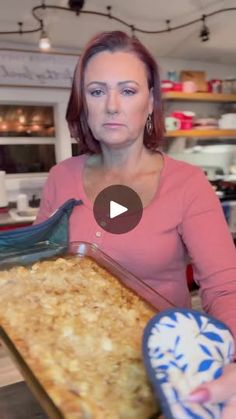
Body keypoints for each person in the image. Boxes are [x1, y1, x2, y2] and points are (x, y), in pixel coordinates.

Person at [35, 31, 236, 415]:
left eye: (127, 91)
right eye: (96, 92)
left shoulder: (187, 184)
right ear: (82, 105)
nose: (112, 105)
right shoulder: (61, 176)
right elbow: (41, 266)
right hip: (71, 372)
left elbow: (227, 289)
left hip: (158, 382)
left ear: (150, 103)